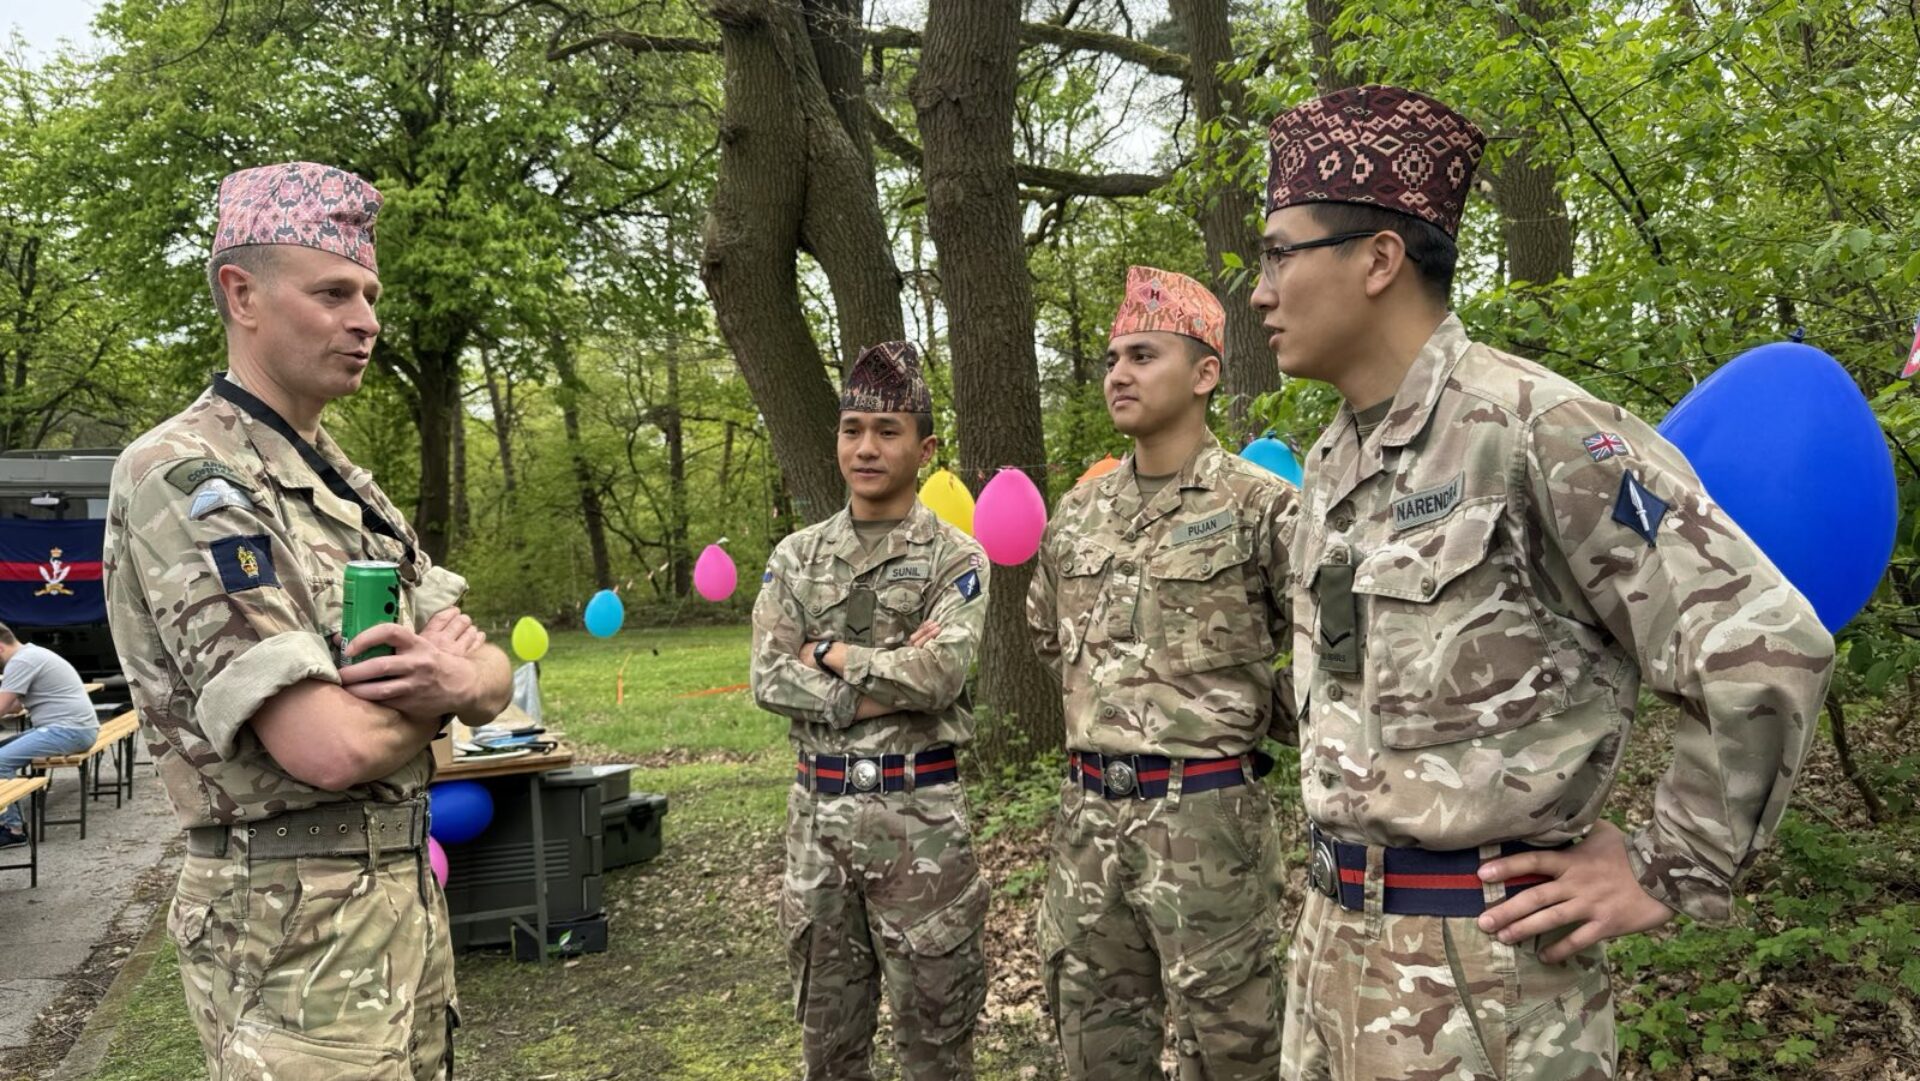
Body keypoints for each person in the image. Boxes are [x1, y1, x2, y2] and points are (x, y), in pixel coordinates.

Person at [1251, 85, 1837, 1080]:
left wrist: (1666, 864)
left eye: (1279, 253)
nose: (1259, 292)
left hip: (1487, 986)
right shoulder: (1334, 464)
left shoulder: (1535, 428)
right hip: (1330, 957)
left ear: (1378, 259)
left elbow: (1760, 633)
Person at [101, 161, 512, 1080]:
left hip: (397, 907)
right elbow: (325, 747)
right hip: (289, 925)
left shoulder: (347, 487)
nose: (367, 319)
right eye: (333, 292)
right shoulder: (186, 477)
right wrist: (445, 688)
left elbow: (493, 678)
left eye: (368, 293)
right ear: (241, 294)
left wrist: (453, 683)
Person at [1025, 266, 1296, 1081]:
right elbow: (1050, 633)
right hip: (1087, 823)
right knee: (1097, 1046)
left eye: (1143, 355)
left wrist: (1238, 720)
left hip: (1207, 826)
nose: (1118, 374)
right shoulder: (1078, 513)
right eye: (1113, 358)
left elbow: (1326, 662)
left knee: (1236, 1046)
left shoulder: (1262, 507)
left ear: (1205, 373)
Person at [749, 340, 992, 1081]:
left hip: (921, 827)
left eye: (887, 431)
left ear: (925, 447)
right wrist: (886, 677)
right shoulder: (797, 556)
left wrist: (829, 654)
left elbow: (943, 672)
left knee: (935, 1049)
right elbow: (766, 676)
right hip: (816, 829)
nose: (866, 446)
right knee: (829, 1049)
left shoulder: (958, 557)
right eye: (852, 428)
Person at [0, 624, 99, 846]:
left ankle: (13, 829)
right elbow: (15, 706)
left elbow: (3, 707)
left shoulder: (21, 662)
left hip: (68, 731)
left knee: (0, 761)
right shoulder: (31, 654)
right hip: (75, 729)